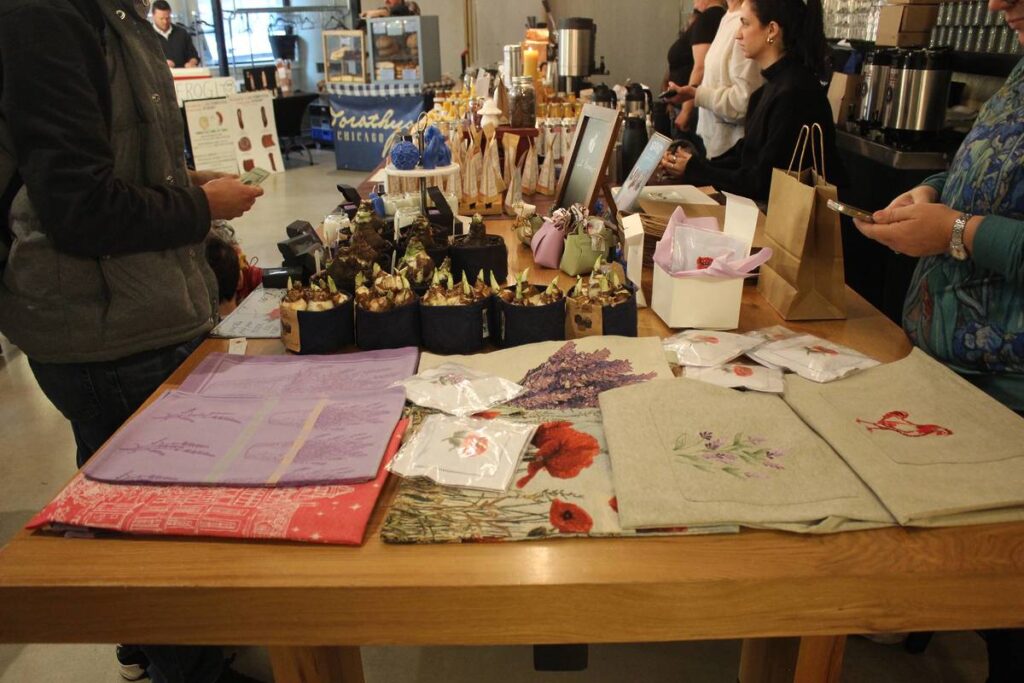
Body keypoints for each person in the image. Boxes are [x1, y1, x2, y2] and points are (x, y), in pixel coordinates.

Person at [0, 1, 263, 682]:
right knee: (159, 522)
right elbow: (79, 207)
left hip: (128, 310)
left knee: (126, 503)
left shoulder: (108, 18)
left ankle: (150, 641)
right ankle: (187, 662)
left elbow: (97, 165)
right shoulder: (49, 18)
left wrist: (183, 186)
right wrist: (201, 208)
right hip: (108, 327)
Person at [659, 0, 845, 203]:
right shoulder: (772, 87)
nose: (738, 34)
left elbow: (761, 182)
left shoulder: (794, 94)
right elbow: (745, 155)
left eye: (746, 24)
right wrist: (692, 163)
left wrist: (697, 169)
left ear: (772, 30)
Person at [664, 0, 762, 159]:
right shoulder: (726, 18)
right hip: (714, 142)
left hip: (733, 150)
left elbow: (743, 103)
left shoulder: (746, 23)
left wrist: (696, 96)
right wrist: (693, 93)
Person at [664, 0, 727, 133]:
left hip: (692, 107)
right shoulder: (718, 17)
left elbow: (701, 67)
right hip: (696, 104)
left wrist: (686, 111)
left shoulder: (708, 19)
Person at [151, 0, 199, 68]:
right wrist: (161, 64)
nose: (165, 22)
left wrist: (192, 62)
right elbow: (142, 61)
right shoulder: (146, 36)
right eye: (161, 18)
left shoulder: (182, 33)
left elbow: (193, 56)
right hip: (158, 77)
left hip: (183, 76)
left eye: (167, 18)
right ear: (153, 16)